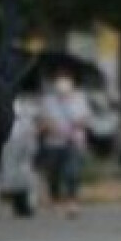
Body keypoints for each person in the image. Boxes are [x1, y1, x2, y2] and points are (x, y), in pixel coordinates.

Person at [36, 73, 89, 217]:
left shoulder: (79, 100)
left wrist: (75, 125)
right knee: (54, 174)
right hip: (53, 143)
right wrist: (53, 128)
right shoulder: (48, 102)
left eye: (65, 93)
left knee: (72, 172)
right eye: (60, 93)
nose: (63, 95)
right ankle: (56, 200)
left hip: (73, 142)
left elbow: (85, 119)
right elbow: (43, 122)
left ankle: (72, 201)